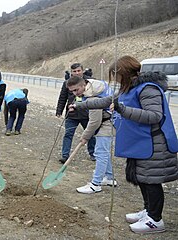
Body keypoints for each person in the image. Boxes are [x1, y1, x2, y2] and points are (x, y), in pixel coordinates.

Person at [71, 56, 178, 233]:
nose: (116, 81)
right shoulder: (129, 89)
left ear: (126, 73)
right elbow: (106, 101)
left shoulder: (148, 89)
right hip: (140, 143)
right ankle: (148, 211)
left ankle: (155, 220)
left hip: (154, 143)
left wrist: (122, 110)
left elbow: (154, 116)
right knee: (142, 178)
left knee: (151, 181)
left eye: (117, 76)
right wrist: (81, 105)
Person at [65, 76, 116, 194]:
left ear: (83, 85)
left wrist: (85, 137)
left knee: (100, 153)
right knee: (104, 151)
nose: (74, 93)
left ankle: (95, 184)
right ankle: (109, 178)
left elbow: (94, 122)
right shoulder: (94, 84)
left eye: (76, 90)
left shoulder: (93, 96)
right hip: (108, 120)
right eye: (71, 91)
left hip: (108, 122)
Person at [56, 62, 96, 163]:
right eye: (74, 71)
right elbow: (62, 97)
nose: (77, 73)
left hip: (86, 114)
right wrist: (59, 111)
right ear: (71, 72)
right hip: (72, 114)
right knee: (68, 134)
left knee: (90, 135)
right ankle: (65, 156)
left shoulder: (90, 81)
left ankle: (93, 153)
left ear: (82, 71)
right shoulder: (67, 83)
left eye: (78, 70)